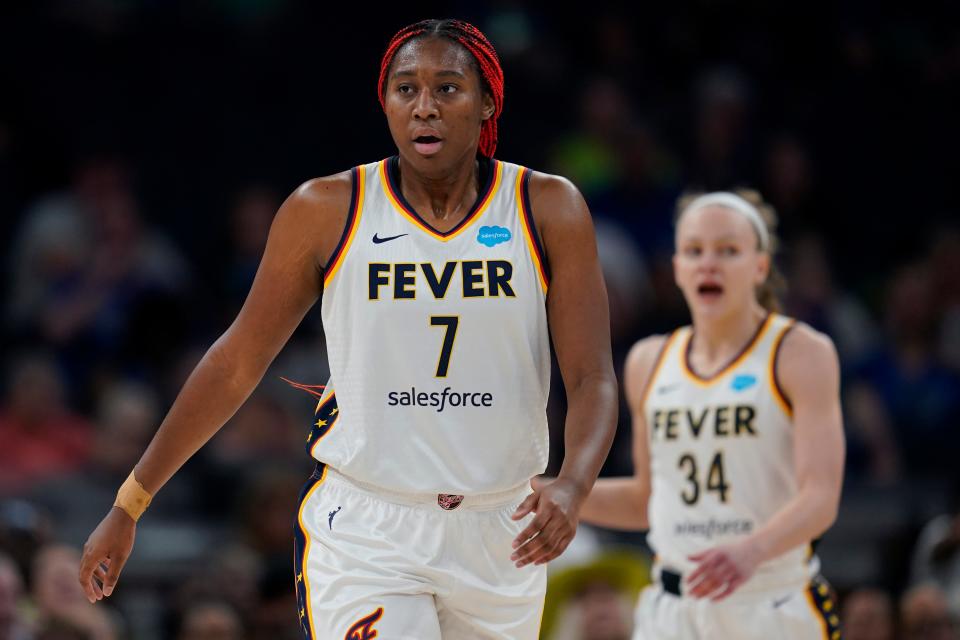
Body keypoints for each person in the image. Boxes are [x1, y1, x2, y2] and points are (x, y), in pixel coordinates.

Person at [78, 18, 617, 640]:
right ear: (384, 102)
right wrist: (130, 502)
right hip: (370, 528)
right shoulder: (328, 207)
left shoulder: (546, 206)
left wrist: (574, 484)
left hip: (502, 528)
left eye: (448, 89)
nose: (425, 108)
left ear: (488, 101)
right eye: (406, 89)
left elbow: (591, 376)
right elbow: (236, 362)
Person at [573, 190, 845, 639]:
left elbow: (821, 496)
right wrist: (558, 493)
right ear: (677, 267)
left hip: (768, 602)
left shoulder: (799, 352)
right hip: (673, 612)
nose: (708, 264)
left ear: (760, 265)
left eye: (728, 251)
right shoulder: (649, 360)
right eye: (694, 251)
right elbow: (646, 499)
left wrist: (751, 551)